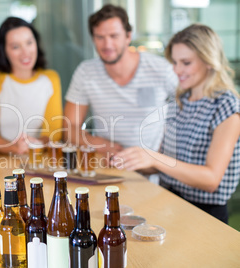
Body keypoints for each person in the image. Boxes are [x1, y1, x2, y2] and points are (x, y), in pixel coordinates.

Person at [111, 24, 240, 223]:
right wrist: (133, 159)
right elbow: (166, 163)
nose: (177, 70)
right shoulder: (180, 100)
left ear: (208, 61)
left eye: (186, 63)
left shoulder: (227, 106)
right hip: (170, 203)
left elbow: (211, 180)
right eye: (174, 62)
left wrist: (154, 158)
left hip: (205, 215)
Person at [64, 4, 178, 161]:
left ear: (128, 36)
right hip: (110, 167)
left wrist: (166, 149)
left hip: (154, 171)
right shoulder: (86, 72)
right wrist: (99, 143)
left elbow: (191, 112)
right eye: (100, 37)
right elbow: (69, 128)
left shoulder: (161, 69)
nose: (107, 45)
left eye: (114, 36)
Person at [0, 17, 63, 155]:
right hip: (0, 163)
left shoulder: (50, 78)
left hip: (39, 161)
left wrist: (37, 144)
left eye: (29, 43)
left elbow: (54, 133)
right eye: (15, 47)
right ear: (4, 50)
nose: (25, 52)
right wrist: (15, 148)